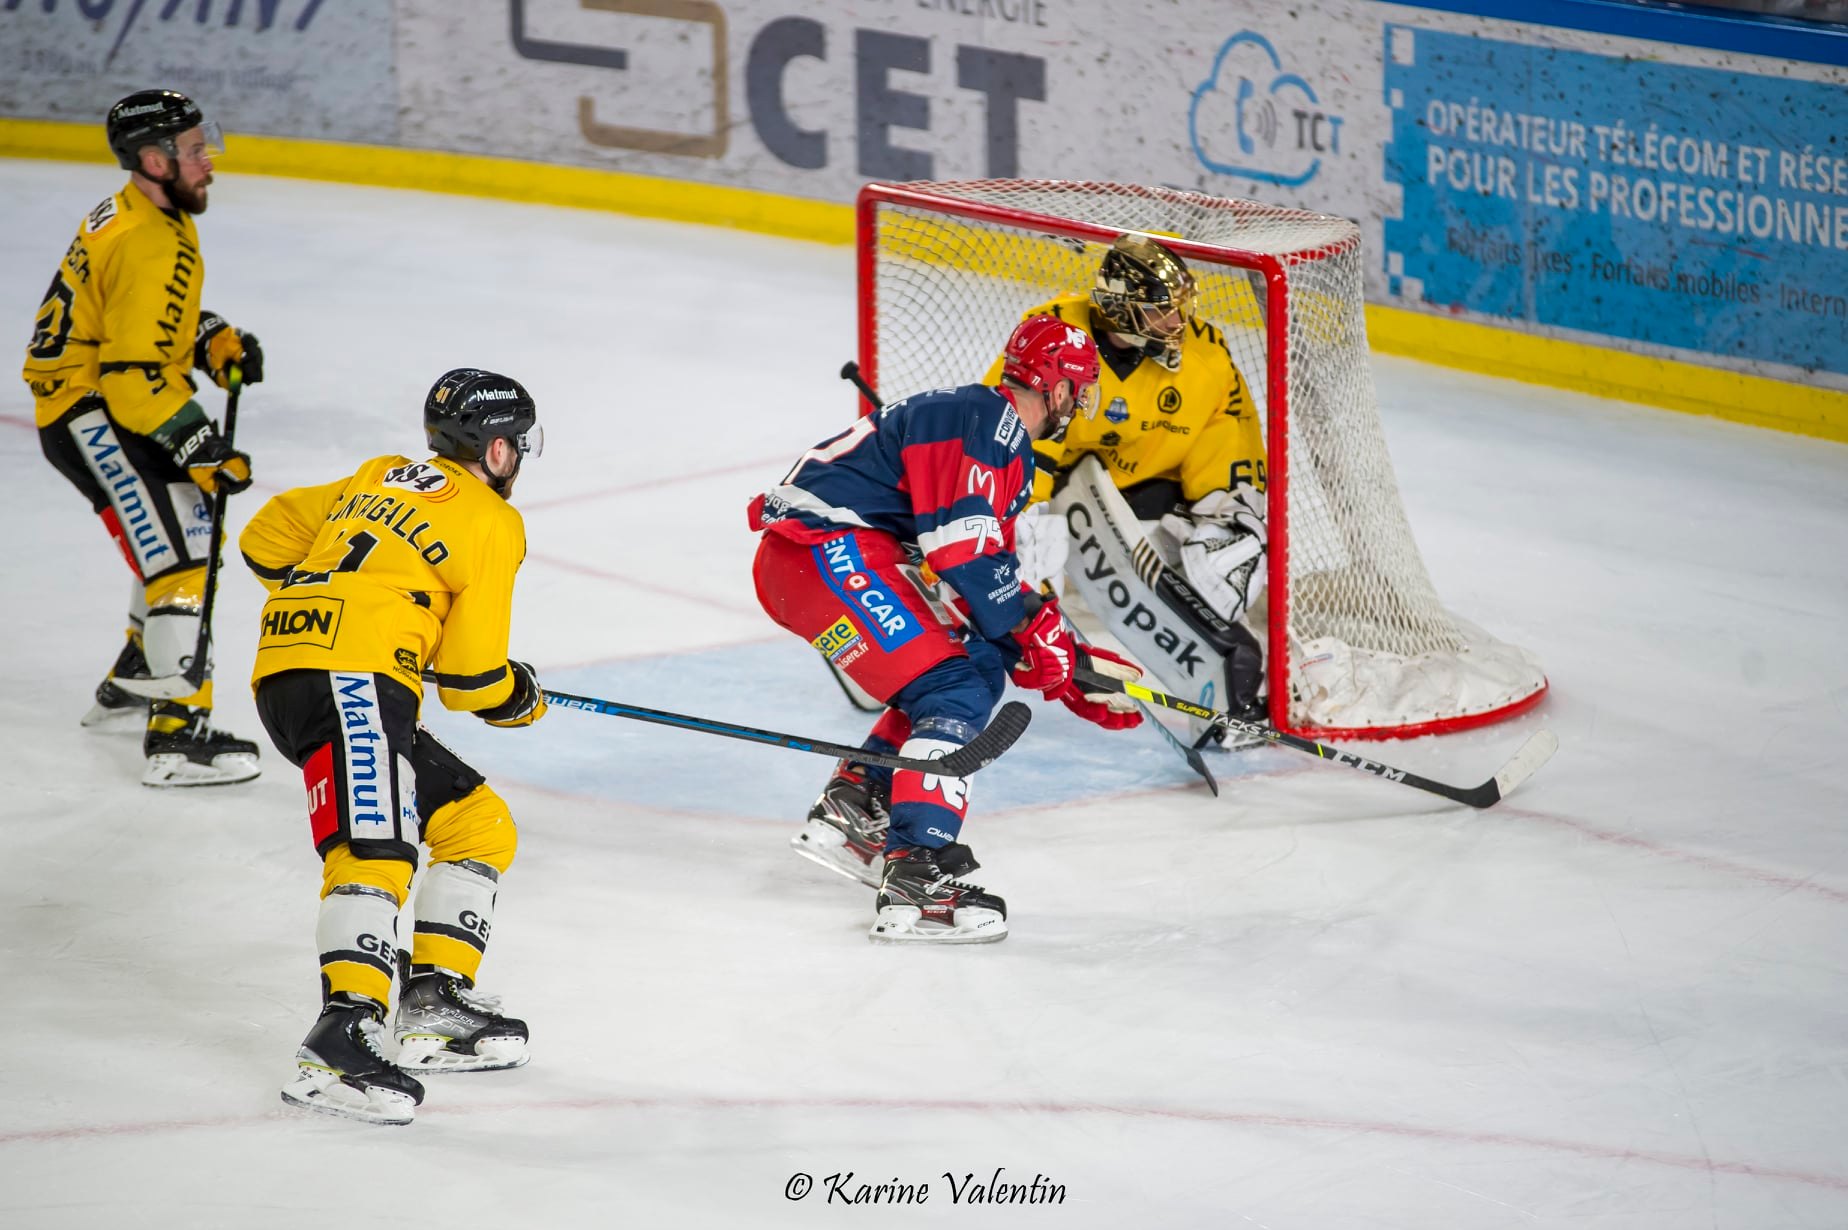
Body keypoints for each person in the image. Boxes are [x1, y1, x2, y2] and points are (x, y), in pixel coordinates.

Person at [751, 315, 1145, 944]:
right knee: (954, 690)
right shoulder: (989, 424)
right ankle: (916, 877)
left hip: (816, 562)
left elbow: (992, 589)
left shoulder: (990, 431)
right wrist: (1040, 638)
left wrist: (1070, 665)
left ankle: (860, 803)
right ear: (1062, 388)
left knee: (978, 663)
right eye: (1080, 389)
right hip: (823, 553)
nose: (1080, 404)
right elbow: (963, 559)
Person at [239, 368, 547, 1126]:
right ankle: (338, 1043)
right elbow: (474, 681)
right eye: (517, 444)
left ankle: (434, 1001)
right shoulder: (492, 520)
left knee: (476, 823)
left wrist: (347, 600)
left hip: (297, 667)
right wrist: (522, 699)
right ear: (496, 448)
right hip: (351, 681)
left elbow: (265, 537)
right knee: (376, 848)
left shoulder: (382, 475)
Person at [23, 88, 265, 786]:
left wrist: (207, 334)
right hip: (93, 409)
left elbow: (133, 320)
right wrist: (201, 447)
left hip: (94, 398)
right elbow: (131, 378)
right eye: (193, 151)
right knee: (185, 561)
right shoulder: (147, 238)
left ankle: (137, 670)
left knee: (177, 531)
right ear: (155, 160)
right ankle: (175, 734)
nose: (209, 161)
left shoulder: (137, 212)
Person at [990, 233, 1270, 745]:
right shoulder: (1053, 337)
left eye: (1178, 309)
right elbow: (1011, 439)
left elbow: (1229, 444)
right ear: (1121, 310)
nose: (1176, 323)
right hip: (1063, 480)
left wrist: (1228, 514)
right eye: (1162, 312)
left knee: (1223, 560)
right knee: (1026, 544)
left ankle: (1229, 689)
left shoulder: (1205, 357)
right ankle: (998, 645)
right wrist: (1019, 531)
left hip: (1152, 487)